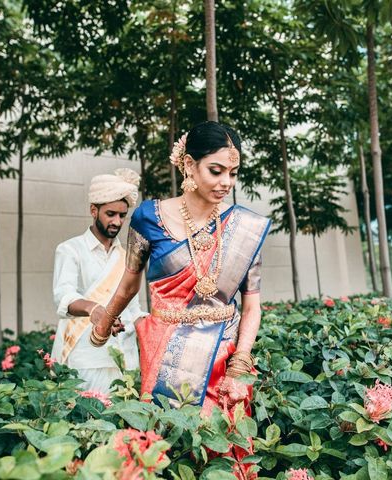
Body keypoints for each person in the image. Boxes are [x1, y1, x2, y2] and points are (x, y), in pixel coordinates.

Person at [89, 121, 270, 478]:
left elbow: (252, 304)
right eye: (215, 171)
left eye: (233, 173)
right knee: (168, 450)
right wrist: (105, 321)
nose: (226, 183)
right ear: (189, 165)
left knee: (222, 454)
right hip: (164, 348)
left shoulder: (243, 228)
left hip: (224, 355)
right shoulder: (148, 218)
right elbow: (129, 284)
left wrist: (241, 362)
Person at [51, 168, 148, 393]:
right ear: (94, 210)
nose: (117, 221)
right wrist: (94, 309)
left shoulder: (128, 257)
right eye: (111, 214)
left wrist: (152, 324)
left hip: (123, 359)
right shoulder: (70, 250)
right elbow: (63, 295)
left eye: (122, 216)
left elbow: (134, 309)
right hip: (85, 358)